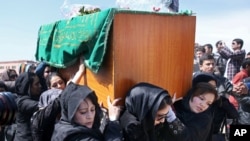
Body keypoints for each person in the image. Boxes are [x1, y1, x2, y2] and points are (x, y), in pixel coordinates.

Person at [51, 82, 123, 141]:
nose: (90, 116)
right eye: (83, 112)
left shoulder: (62, 126)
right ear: (70, 113)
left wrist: (106, 120)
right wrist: (113, 121)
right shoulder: (75, 137)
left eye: (92, 109)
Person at [119, 82, 184, 141]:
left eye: (166, 116)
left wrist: (168, 107)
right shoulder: (132, 128)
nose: (163, 120)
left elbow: (183, 135)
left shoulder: (148, 120)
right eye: (161, 116)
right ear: (147, 110)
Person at [13, 72, 42, 141]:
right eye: (36, 84)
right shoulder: (22, 102)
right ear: (28, 86)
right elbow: (40, 106)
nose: (40, 86)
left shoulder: (35, 97)